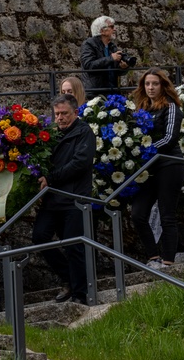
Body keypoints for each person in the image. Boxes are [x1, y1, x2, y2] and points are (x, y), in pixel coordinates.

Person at [35, 94, 96, 304]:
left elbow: (80, 163)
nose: (60, 118)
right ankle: (70, 278)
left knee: (74, 246)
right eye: (57, 114)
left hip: (74, 198)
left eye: (64, 114)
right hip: (53, 200)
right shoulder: (51, 135)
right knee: (39, 237)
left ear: (76, 113)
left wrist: (50, 178)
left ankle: (80, 293)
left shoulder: (84, 132)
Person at [129, 69, 184, 269]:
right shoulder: (141, 110)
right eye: (147, 84)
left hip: (169, 165)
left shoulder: (171, 108)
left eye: (155, 84)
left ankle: (168, 261)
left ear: (163, 86)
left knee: (166, 214)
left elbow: (170, 138)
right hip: (148, 169)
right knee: (138, 213)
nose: (150, 88)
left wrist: (146, 151)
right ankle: (153, 258)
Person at [80, 16, 131, 96]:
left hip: (112, 92)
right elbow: (88, 65)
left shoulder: (112, 46)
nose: (114, 29)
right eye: (111, 27)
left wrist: (123, 68)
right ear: (102, 31)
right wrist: (111, 58)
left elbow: (115, 71)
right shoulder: (89, 44)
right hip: (95, 93)